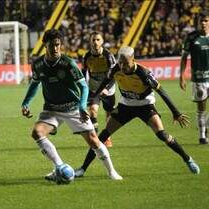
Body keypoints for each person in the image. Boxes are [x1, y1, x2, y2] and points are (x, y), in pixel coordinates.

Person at [79, 46, 200, 176]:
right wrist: (93, 98)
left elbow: (162, 91)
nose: (123, 66)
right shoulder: (116, 69)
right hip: (125, 106)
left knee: (162, 135)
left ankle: (188, 159)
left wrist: (175, 112)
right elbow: (104, 83)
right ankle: (82, 169)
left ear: (133, 60)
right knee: (102, 136)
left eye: (126, 63)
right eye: (120, 63)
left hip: (145, 107)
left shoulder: (144, 73)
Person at [21, 29, 123, 183]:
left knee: (94, 141)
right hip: (51, 109)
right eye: (52, 45)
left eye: (58, 45)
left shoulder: (68, 64)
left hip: (73, 108)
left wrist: (82, 107)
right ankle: (60, 167)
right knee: (37, 132)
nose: (55, 48)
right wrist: (26, 102)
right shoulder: (38, 64)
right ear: (44, 45)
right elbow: (35, 84)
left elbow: (83, 87)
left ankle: (111, 171)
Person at [74, 31, 116, 177]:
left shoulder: (109, 56)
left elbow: (114, 74)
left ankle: (108, 135)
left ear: (102, 41)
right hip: (93, 88)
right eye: (93, 40)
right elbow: (84, 72)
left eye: (98, 39)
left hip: (108, 89)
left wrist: (106, 88)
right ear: (90, 42)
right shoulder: (86, 56)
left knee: (109, 112)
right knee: (93, 111)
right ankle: (97, 138)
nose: (96, 42)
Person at [180, 10, 209, 145]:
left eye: (206, 20)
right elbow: (184, 57)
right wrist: (181, 76)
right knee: (201, 108)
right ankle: (202, 135)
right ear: (197, 22)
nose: (203, 23)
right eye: (201, 21)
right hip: (199, 79)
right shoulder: (191, 37)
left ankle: (206, 126)